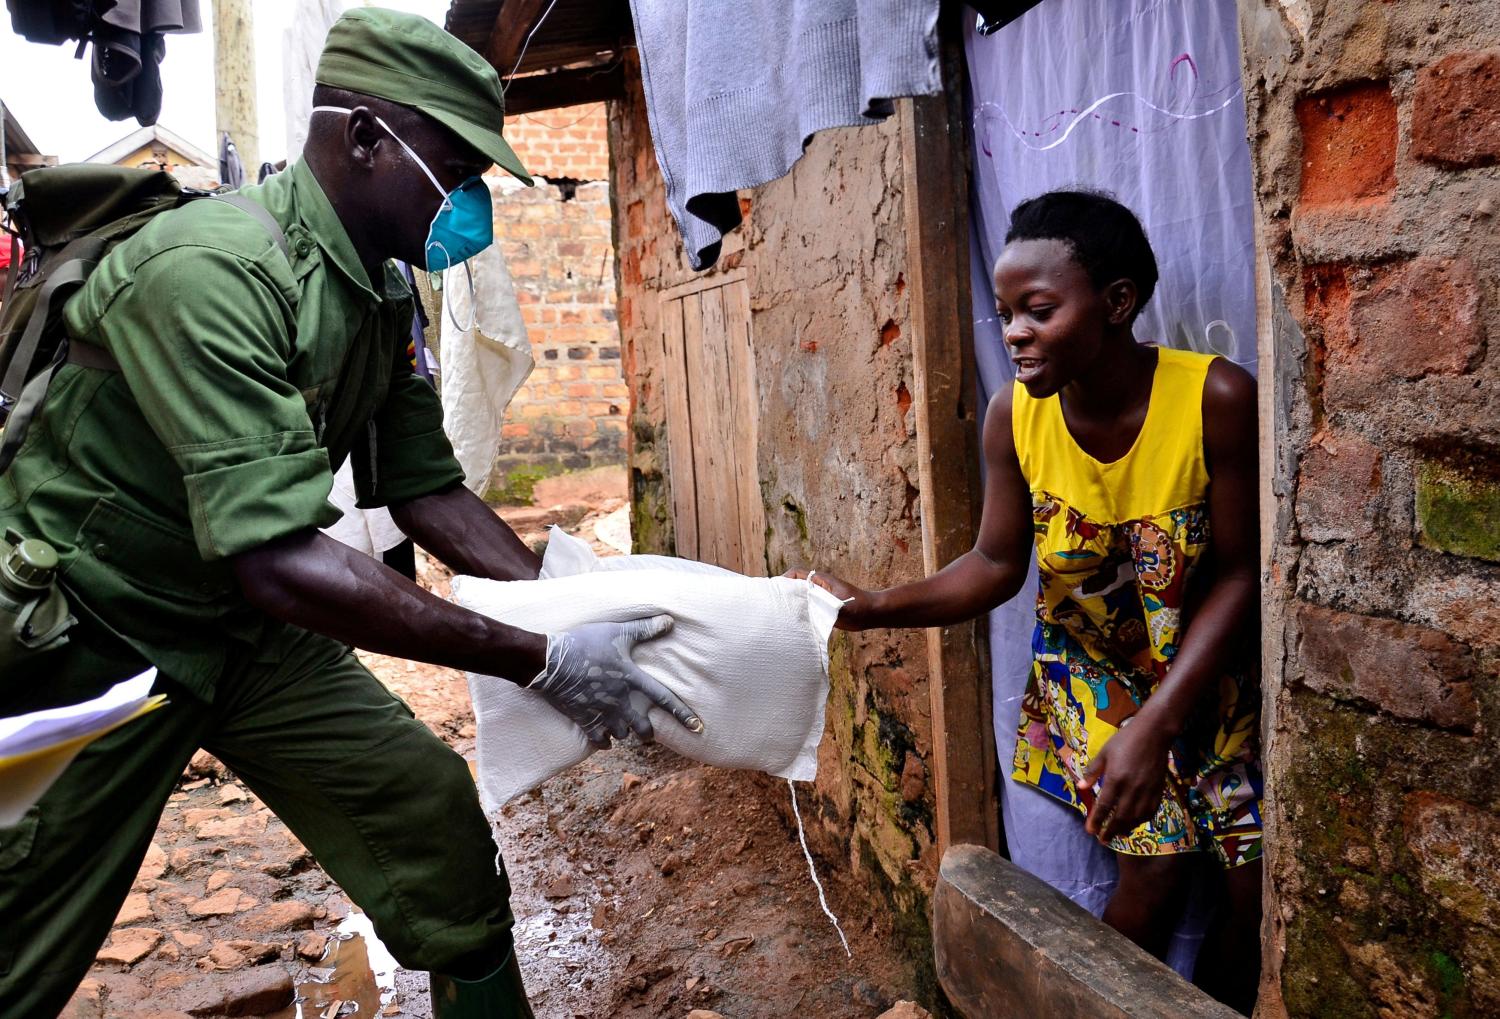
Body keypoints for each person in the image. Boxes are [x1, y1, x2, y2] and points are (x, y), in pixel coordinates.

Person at [0, 9, 701, 1018]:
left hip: (241, 632)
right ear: (367, 139)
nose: (469, 201)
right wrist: (534, 657)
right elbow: (280, 560)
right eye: (455, 168)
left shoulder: (379, 291)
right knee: (24, 917)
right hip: (97, 628)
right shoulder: (212, 272)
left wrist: (564, 607)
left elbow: (427, 490)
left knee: (428, 815)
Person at [795, 191, 1263, 1014]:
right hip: (1094, 669)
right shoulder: (1015, 417)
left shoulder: (1214, 398)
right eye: (1008, 312)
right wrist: (871, 606)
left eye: (1037, 310)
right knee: (1153, 864)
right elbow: (994, 562)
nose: (1013, 331)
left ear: (1117, 303)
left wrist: (1161, 723)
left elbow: (1237, 574)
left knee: (1251, 882)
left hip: (1208, 667)